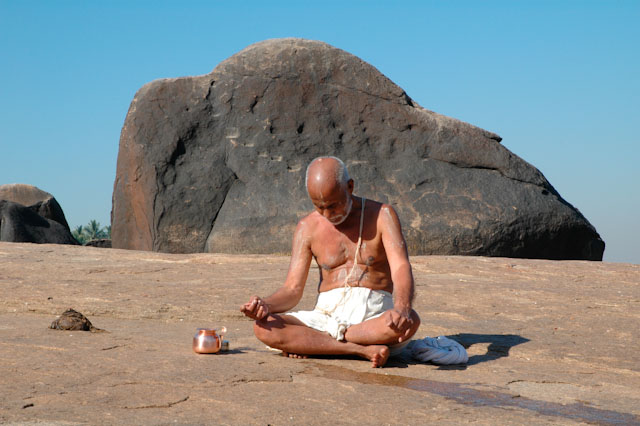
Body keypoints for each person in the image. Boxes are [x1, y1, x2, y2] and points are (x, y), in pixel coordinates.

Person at [240, 156, 420, 367]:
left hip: (373, 319)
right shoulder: (306, 227)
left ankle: (317, 345)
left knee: (410, 321)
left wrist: (402, 307)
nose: (328, 214)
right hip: (326, 317)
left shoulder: (382, 215)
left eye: (334, 205)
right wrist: (265, 305)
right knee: (264, 327)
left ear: (350, 187)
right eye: (319, 207)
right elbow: (292, 290)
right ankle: (357, 349)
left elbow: (400, 266)